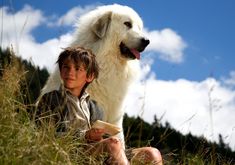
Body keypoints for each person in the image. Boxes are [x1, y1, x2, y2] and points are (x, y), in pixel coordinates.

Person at [35, 46, 163, 165]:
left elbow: (103, 140)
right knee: (113, 144)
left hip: (97, 152)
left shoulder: (95, 108)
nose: (70, 72)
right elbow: (43, 136)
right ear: (61, 70)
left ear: (90, 76)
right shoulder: (51, 98)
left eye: (78, 69)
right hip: (71, 153)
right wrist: (85, 135)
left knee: (152, 153)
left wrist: (100, 135)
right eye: (66, 67)